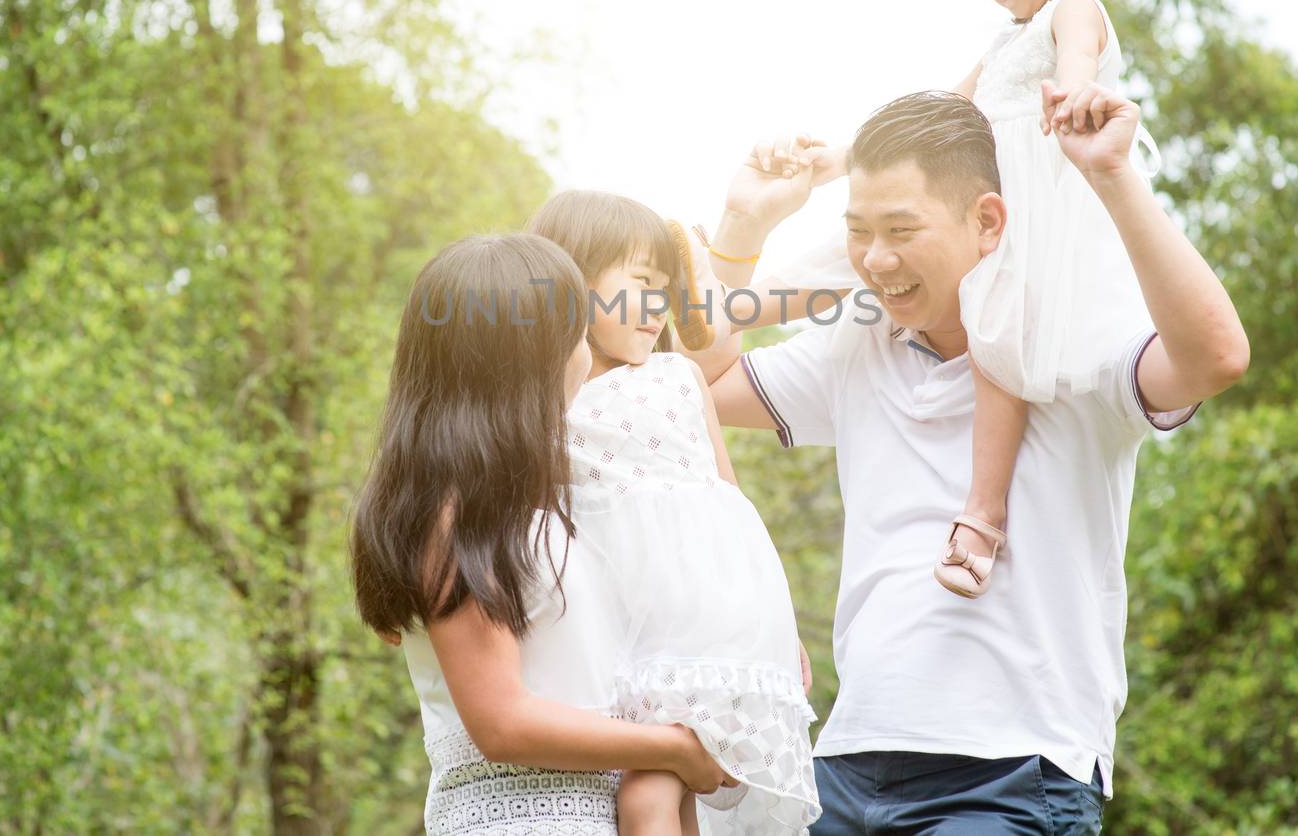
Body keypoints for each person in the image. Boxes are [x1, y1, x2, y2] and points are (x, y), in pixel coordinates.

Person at [702, 83, 1250, 831]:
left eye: (901, 228)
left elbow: (1216, 356)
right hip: (846, 762)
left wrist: (1113, 175)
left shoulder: (1071, 340)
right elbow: (692, 382)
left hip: (1011, 772)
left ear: (988, 220)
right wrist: (742, 226)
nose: (875, 258)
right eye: (857, 231)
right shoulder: (857, 345)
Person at [765, 0, 1161, 598]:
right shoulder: (1005, 40)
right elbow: (944, 112)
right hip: (967, 204)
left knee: (995, 341)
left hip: (1025, 219)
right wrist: (844, 158)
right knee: (846, 252)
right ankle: (728, 305)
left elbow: (1078, 60)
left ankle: (980, 516)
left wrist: (1071, 97)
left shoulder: (1074, 8)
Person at [349, 233, 736, 835]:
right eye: (577, 335)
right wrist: (674, 750)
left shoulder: (543, 499)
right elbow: (502, 723)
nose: (587, 354)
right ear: (527, 359)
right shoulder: (452, 513)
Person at [527, 191, 821, 836]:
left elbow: (728, 496)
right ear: (572, 283)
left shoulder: (678, 377)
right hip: (626, 628)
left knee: (653, 791)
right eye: (642, 284)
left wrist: (780, 624)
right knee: (662, 790)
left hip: (707, 620)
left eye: (666, 289)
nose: (657, 306)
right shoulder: (544, 404)